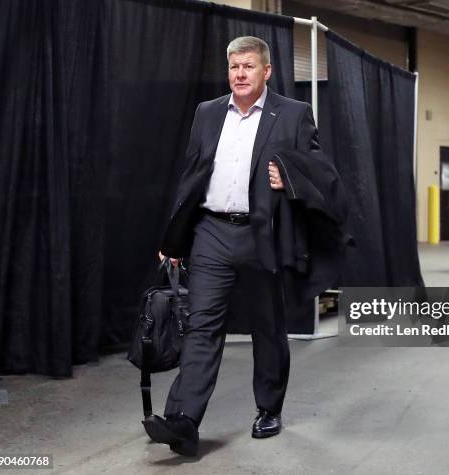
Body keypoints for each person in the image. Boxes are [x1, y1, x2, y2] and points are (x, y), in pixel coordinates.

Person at [145, 36, 347, 456]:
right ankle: (183, 420)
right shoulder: (207, 113)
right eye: (234, 66)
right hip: (212, 232)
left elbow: (319, 171)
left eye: (248, 66)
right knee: (201, 326)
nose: (239, 73)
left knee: (268, 328)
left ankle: (268, 408)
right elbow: (191, 177)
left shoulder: (292, 114)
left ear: (267, 71)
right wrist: (175, 237)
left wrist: (288, 178)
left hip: (263, 235)